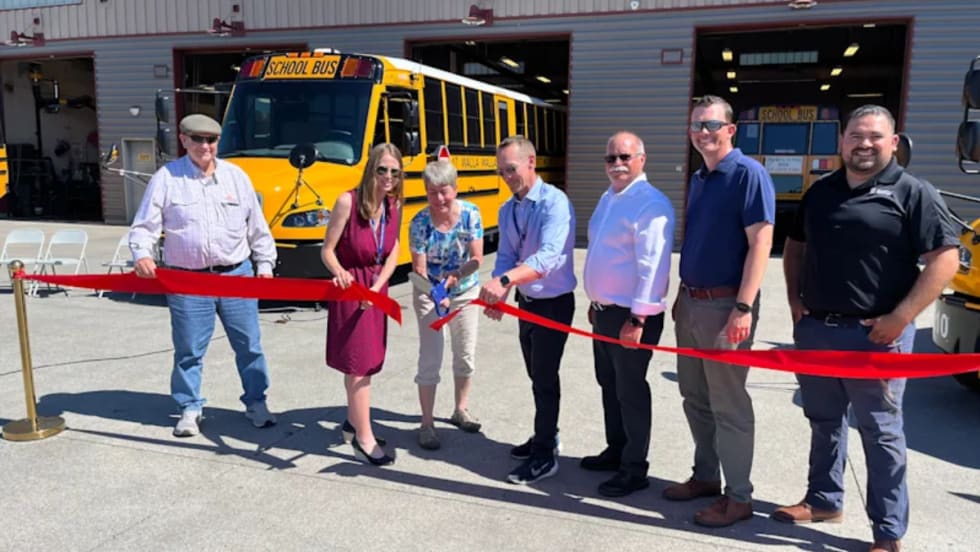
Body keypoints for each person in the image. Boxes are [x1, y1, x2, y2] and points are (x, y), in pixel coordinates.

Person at [777, 105, 959, 552]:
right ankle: (823, 499)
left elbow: (945, 259)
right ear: (841, 141)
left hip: (876, 338)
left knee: (881, 433)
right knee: (823, 421)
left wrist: (900, 317)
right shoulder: (821, 192)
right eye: (856, 135)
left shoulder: (913, 193)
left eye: (875, 136)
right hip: (817, 332)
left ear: (893, 142)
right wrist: (795, 300)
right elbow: (795, 247)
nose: (864, 144)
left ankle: (888, 532)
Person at [664, 95, 775, 527]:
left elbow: (761, 243)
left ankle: (739, 497)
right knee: (695, 397)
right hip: (693, 302)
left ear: (731, 130)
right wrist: (682, 292)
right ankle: (706, 476)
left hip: (728, 305)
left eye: (711, 125)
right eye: (696, 126)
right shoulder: (700, 178)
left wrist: (743, 307)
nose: (702, 133)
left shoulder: (748, 175)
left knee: (728, 405)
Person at [129, 113, 278, 438]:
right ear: (183, 140)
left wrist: (265, 266)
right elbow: (144, 226)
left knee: (250, 346)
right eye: (197, 139)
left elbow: (258, 229)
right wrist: (141, 253)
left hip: (236, 275)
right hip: (188, 280)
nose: (205, 146)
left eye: (210, 140)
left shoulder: (237, 177)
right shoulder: (167, 178)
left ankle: (256, 402)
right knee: (189, 350)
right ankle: (189, 407)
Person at [479, 135, 577, 485]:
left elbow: (548, 258)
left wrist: (504, 280)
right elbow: (506, 254)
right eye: (501, 171)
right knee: (536, 376)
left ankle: (545, 455)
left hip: (554, 304)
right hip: (527, 302)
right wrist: (501, 292)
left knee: (546, 378)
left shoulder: (555, 203)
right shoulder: (508, 209)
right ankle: (544, 434)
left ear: (531, 162)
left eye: (512, 169)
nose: (507, 177)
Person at [581, 131, 675, 497]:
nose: (617, 164)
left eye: (625, 157)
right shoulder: (610, 197)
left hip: (631, 317)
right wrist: (595, 300)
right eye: (610, 158)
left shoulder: (650, 203)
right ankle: (617, 449)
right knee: (610, 385)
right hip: (605, 313)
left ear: (642, 159)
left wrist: (638, 319)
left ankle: (635, 467)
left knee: (631, 390)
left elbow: (653, 266)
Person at [321, 143, 402, 466]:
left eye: (395, 172)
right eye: (382, 169)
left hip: (375, 290)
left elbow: (394, 250)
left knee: (367, 363)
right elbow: (327, 250)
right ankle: (363, 439)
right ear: (370, 169)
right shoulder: (347, 202)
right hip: (352, 291)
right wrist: (341, 273)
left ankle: (353, 422)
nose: (388, 177)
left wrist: (379, 286)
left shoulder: (393, 206)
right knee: (358, 367)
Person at [409, 160, 485, 450]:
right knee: (431, 354)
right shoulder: (419, 222)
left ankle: (460, 409)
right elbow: (419, 266)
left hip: (464, 289)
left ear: (455, 188)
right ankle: (427, 423)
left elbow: (477, 257)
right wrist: (436, 291)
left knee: (465, 352)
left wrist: (456, 277)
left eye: (444, 191)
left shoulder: (470, 214)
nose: (439, 199)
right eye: (432, 193)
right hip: (430, 291)